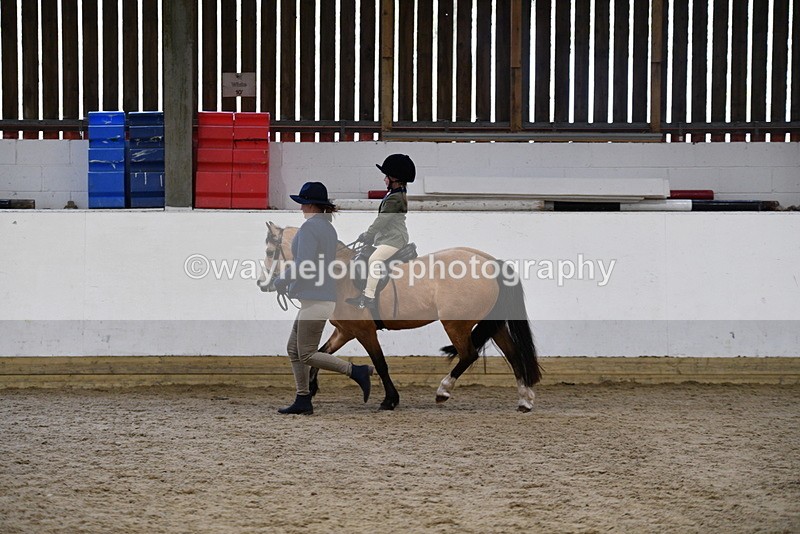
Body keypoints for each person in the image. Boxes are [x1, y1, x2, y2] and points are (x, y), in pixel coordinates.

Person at [273, 182, 374, 415]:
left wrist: (281, 280)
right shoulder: (328, 228)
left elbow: (304, 264)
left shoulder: (310, 228)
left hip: (316, 298)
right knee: (293, 349)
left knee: (307, 353)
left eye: (303, 204)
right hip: (318, 297)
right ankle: (303, 398)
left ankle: (356, 371)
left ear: (311, 205)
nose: (301, 208)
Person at [346, 154, 416, 310]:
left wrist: (368, 235)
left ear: (395, 179)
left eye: (386, 176)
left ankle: (369, 297)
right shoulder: (394, 194)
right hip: (389, 237)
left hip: (394, 239)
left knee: (374, 260)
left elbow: (382, 220)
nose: (384, 179)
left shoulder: (395, 199)